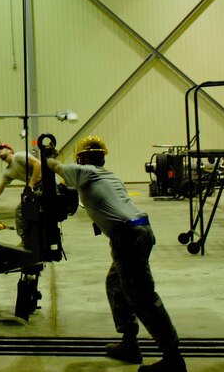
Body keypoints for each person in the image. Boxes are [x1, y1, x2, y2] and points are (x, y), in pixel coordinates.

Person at [45, 135, 185, 372]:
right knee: (116, 285)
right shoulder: (111, 176)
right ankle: (129, 344)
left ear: (80, 158)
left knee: (143, 297)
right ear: (103, 157)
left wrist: (48, 155)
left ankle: (173, 359)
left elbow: (54, 166)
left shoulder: (83, 172)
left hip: (127, 237)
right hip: (141, 232)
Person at [0, 143, 42, 244]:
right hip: (35, 189)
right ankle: (27, 240)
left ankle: (28, 241)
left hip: (46, 184)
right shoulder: (8, 172)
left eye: (1, 149)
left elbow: (38, 164)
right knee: (23, 211)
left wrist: (31, 184)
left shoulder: (18, 156)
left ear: (10, 150)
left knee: (23, 210)